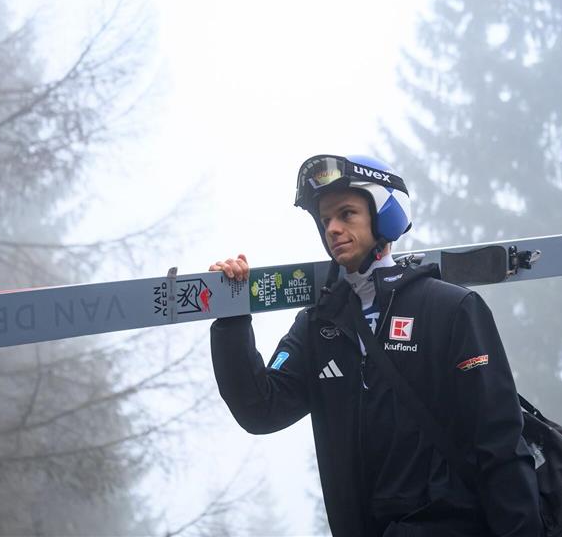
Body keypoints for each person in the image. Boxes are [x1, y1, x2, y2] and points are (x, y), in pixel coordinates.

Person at [209, 154, 541, 536]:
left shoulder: (450, 309)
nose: (332, 228)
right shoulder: (319, 325)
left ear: (384, 215)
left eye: (346, 214)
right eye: (325, 219)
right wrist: (232, 317)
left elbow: (499, 445)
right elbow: (261, 409)